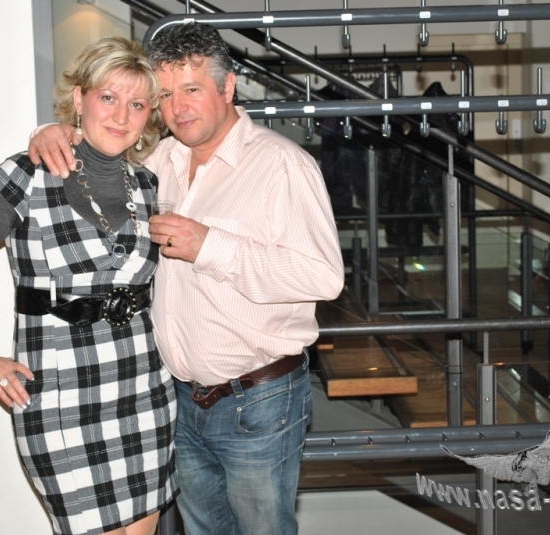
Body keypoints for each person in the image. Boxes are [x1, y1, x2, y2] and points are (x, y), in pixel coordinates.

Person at [29, 23, 345, 535]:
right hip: (177, 399)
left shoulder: (282, 165)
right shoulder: (159, 160)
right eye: (166, 94)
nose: (177, 108)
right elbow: (99, 141)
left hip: (259, 400)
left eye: (192, 89)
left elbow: (324, 277)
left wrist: (210, 246)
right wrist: (54, 131)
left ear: (228, 87)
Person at [0, 38, 177, 535]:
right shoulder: (26, 175)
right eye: (108, 97)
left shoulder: (149, 185)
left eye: (137, 104)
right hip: (60, 397)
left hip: (143, 389)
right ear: (79, 98)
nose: (121, 116)